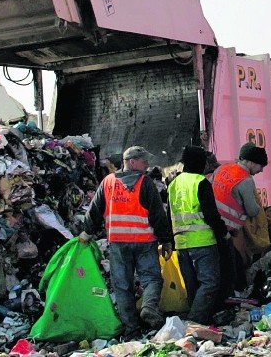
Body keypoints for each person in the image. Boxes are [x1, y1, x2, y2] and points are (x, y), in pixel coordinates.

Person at [80, 146, 173, 339]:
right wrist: (166, 240)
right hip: (144, 241)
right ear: (131, 161)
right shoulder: (145, 183)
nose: (147, 164)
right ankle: (148, 307)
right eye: (143, 160)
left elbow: (94, 212)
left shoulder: (108, 182)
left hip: (118, 243)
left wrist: (86, 233)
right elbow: (158, 215)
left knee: (122, 287)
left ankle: (132, 330)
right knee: (152, 279)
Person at [167, 145, 229, 324]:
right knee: (210, 282)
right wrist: (223, 233)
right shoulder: (200, 182)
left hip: (181, 243)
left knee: (192, 284)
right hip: (202, 241)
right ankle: (195, 321)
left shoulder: (173, 185)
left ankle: (200, 319)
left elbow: (168, 215)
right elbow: (211, 214)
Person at [212, 142, 268, 296]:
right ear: (250, 162)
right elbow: (252, 210)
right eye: (260, 166)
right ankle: (233, 297)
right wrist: (258, 205)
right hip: (225, 231)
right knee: (233, 268)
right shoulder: (245, 180)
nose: (261, 170)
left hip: (210, 226)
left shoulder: (221, 169)